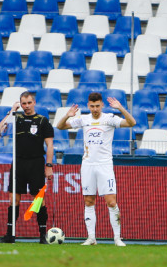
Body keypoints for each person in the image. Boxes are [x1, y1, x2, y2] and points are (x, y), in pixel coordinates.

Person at [56, 93, 136, 246]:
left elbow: (131, 123)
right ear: (88, 106)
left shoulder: (109, 118)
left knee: (111, 202)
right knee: (88, 201)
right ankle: (91, 238)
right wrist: (67, 115)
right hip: (87, 165)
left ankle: (117, 238)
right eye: (92, 106)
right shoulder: (84, 119)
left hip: (105, 165)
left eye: (97, 106)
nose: (95, 109)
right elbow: (60, 126)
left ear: (102, 105)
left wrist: (121, 108)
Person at [0, 92, 55, 244]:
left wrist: (48, 165)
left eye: (29, 103)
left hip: (36, 163)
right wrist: (11, 111)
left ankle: (42, 235)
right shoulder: (16, 118)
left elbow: (49, 145)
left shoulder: (42, 121)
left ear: (34, 102)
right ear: (20, 104)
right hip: (18, 163)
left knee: (38, 199)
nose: (26, 106)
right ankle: (10, 234)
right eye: (23, 103)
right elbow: (0, 131)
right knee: (13, 198)